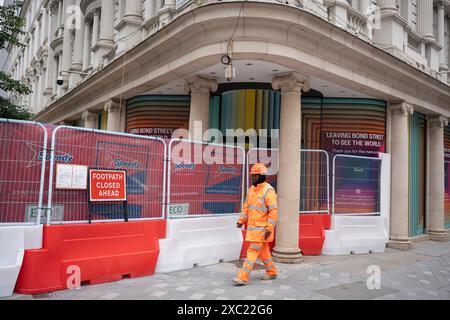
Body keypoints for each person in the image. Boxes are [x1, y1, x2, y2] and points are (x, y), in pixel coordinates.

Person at [233, 163, 278, 286]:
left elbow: (274, 212)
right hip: (254, 230)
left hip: (263, 230)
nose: (253, 178)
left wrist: (269, 228)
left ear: (262, 176)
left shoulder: (268, 191)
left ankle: (242, 277)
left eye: (255, 176)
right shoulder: (252, 189)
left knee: (252, 251)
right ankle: (272, 271)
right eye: (252, 176)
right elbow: (246, 207)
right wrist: (241, 220)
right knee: (264, 252)